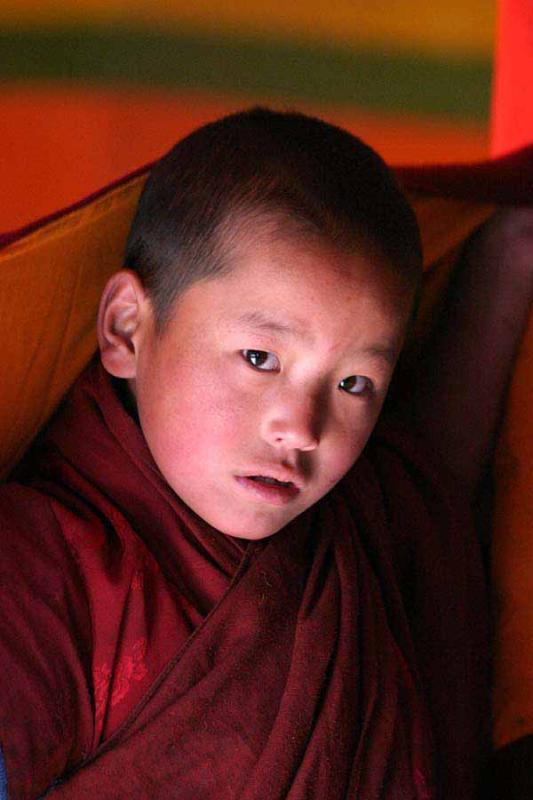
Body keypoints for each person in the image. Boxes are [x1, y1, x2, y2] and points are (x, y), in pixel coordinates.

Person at [0, 108, 530, 800]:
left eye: (352, 384)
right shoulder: (45, 564)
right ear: (127, 329)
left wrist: (510, 258)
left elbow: (435, 481)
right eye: (259, 357)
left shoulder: (362, 519)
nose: (301, 427)